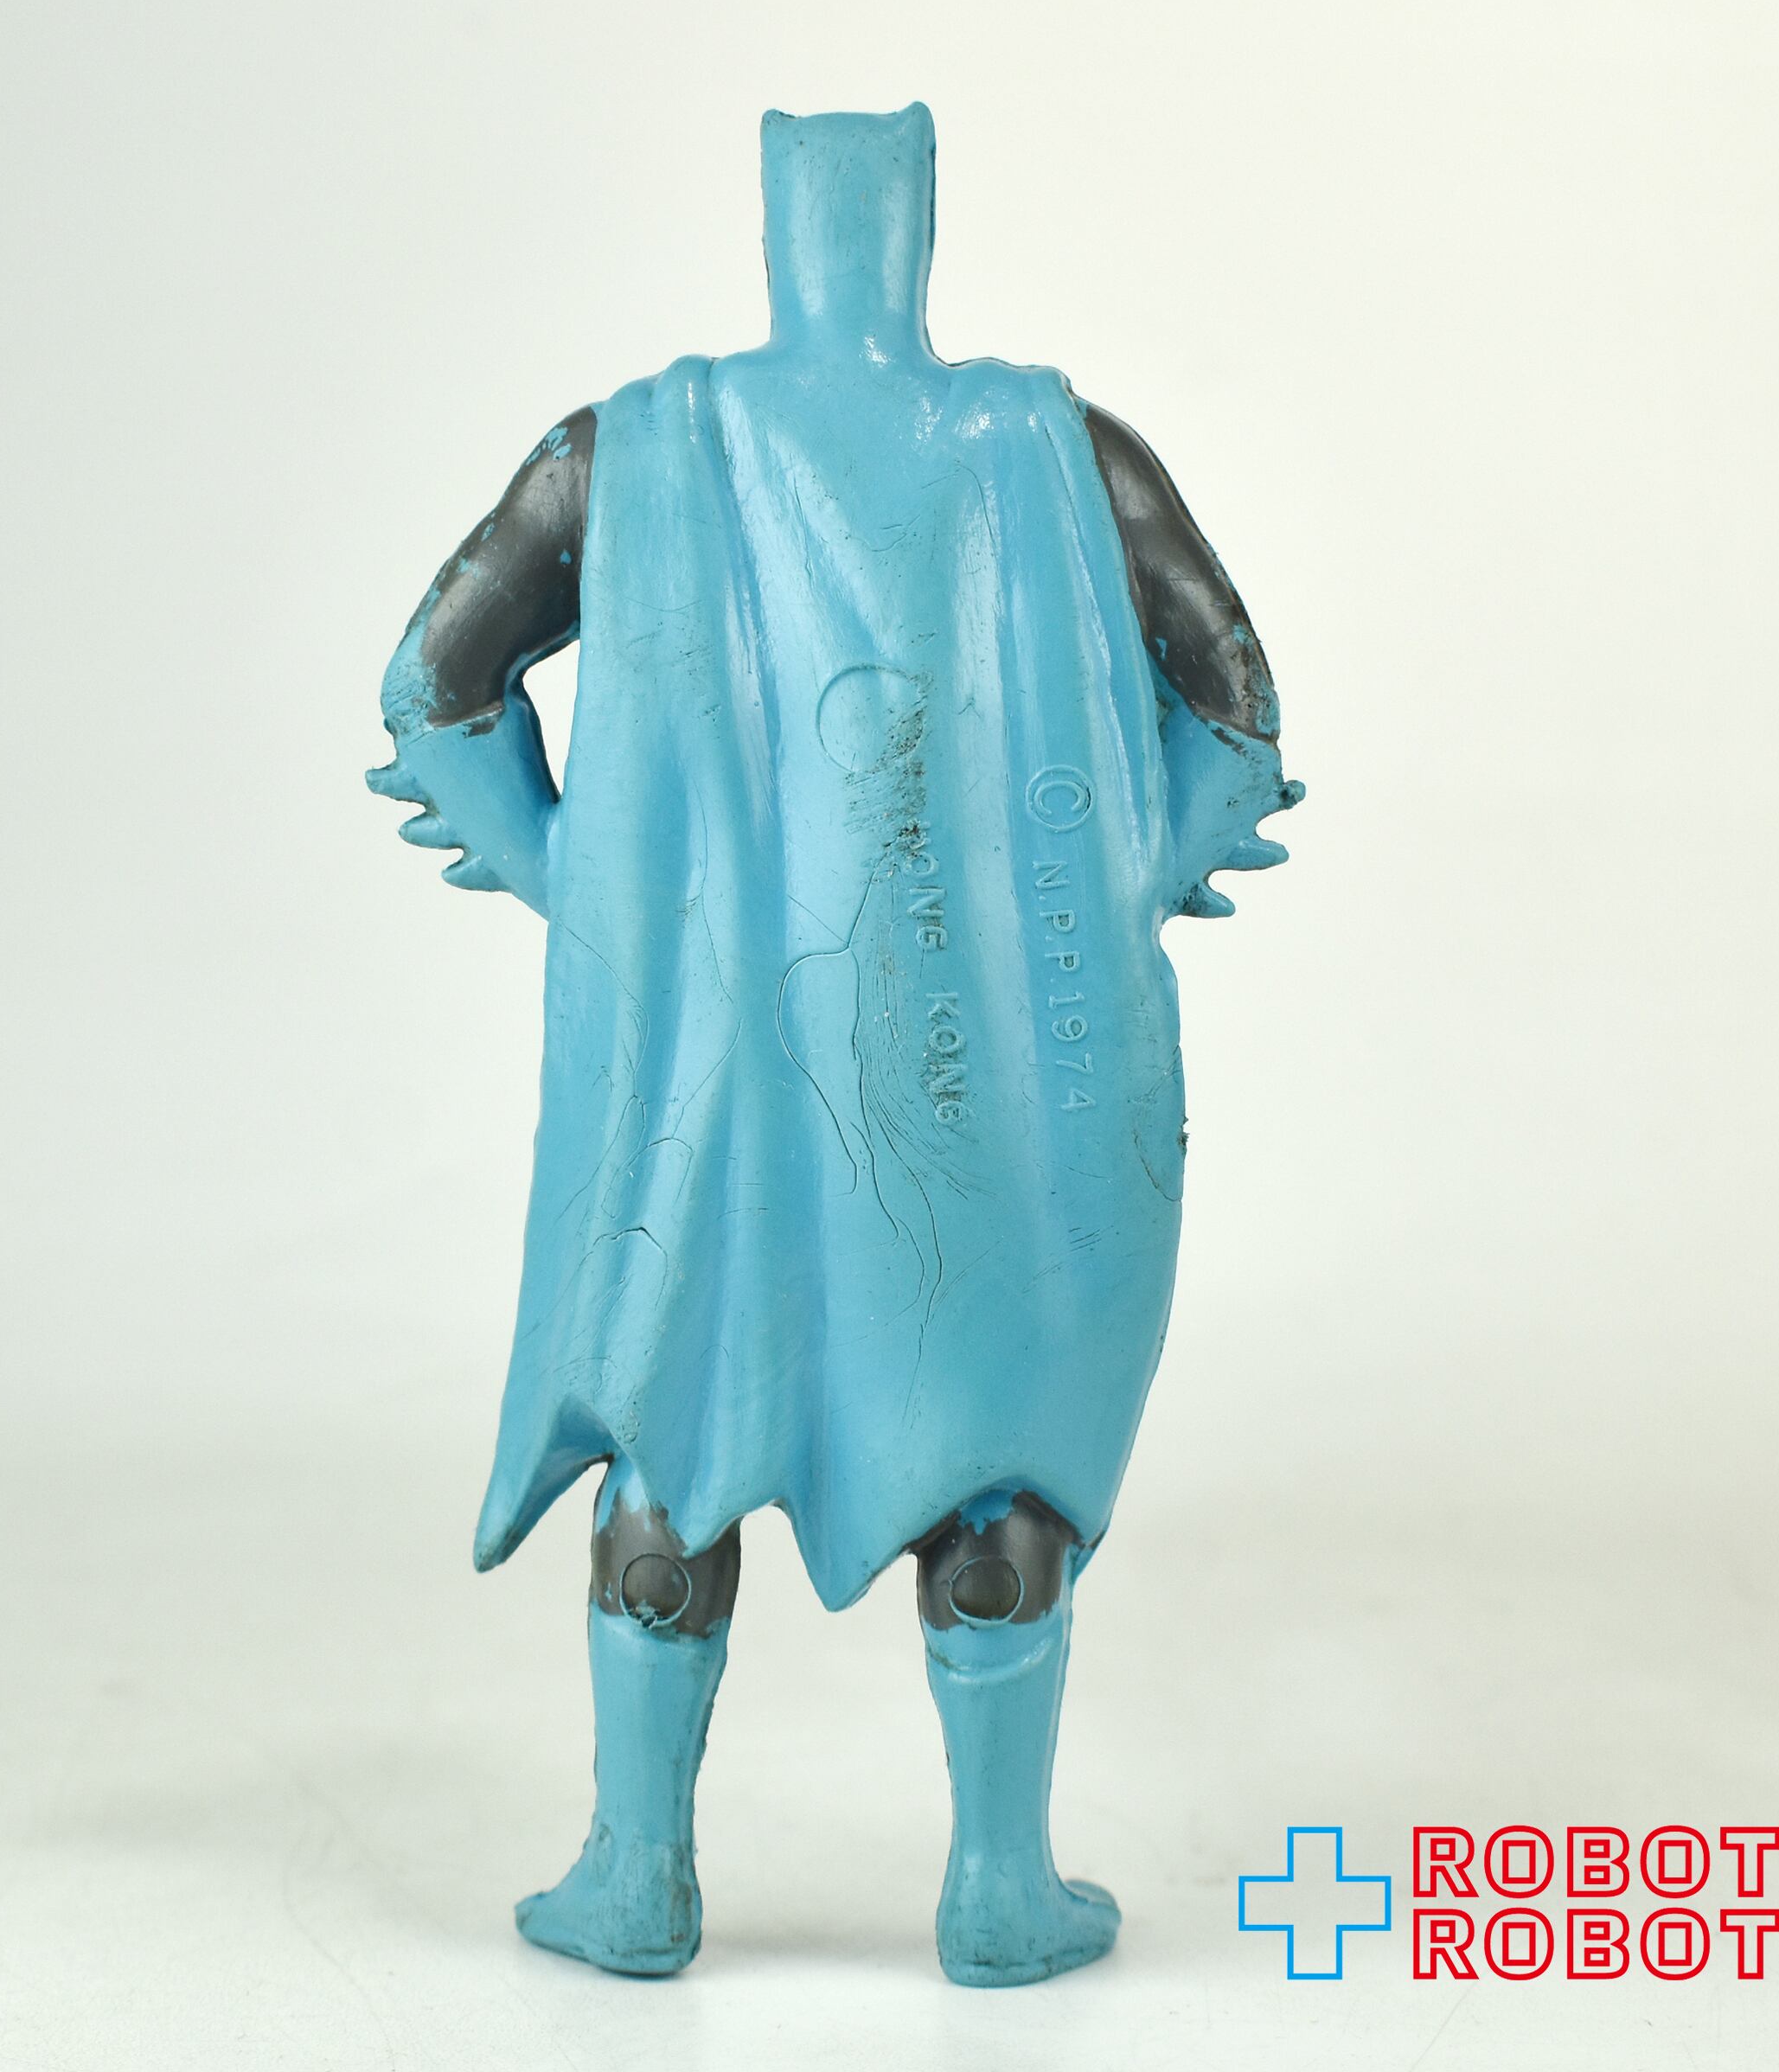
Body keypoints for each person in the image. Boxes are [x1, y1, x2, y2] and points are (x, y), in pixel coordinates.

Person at [369, 103, 1299, 1986]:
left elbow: (433, 686)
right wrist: (1114, 891)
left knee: (683, 1407)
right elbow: (1240, 708)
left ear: (777, 229)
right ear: (918, 229)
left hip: (712, 1060)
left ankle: (639, 1874)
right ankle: (996, 1889)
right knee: (996, 1434)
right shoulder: (1062, 450)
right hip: (998, 1056)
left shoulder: (629, 449)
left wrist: (595, 892)